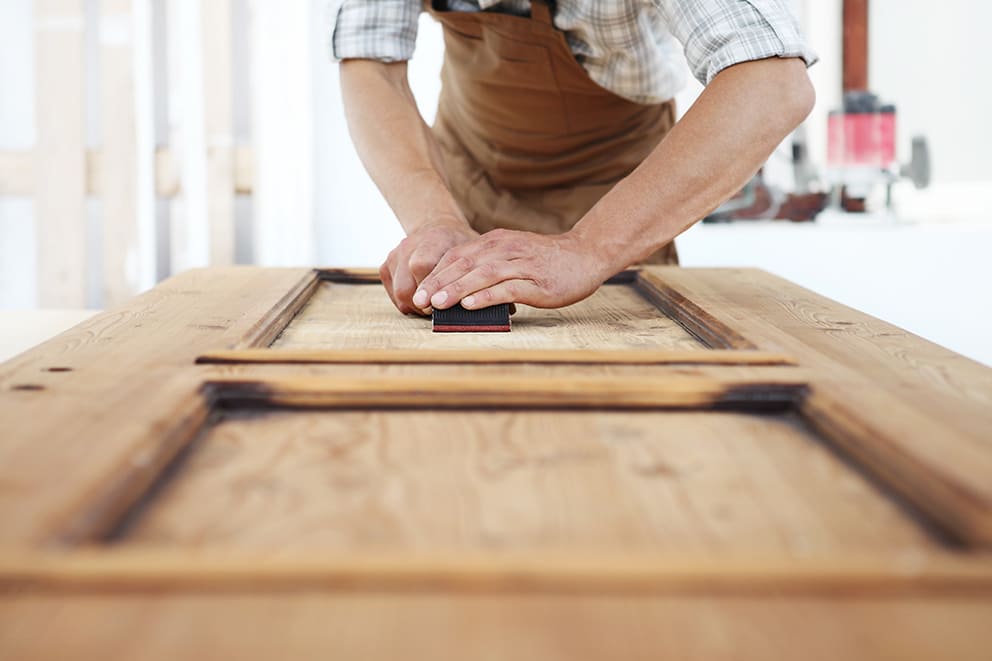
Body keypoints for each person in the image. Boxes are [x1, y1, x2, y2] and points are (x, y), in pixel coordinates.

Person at [333, 0, 816, 315]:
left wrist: (591, 246)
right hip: (468, 170)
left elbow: (773, 81)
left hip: (614, 181)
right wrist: (432, 218)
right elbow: (372, 63)